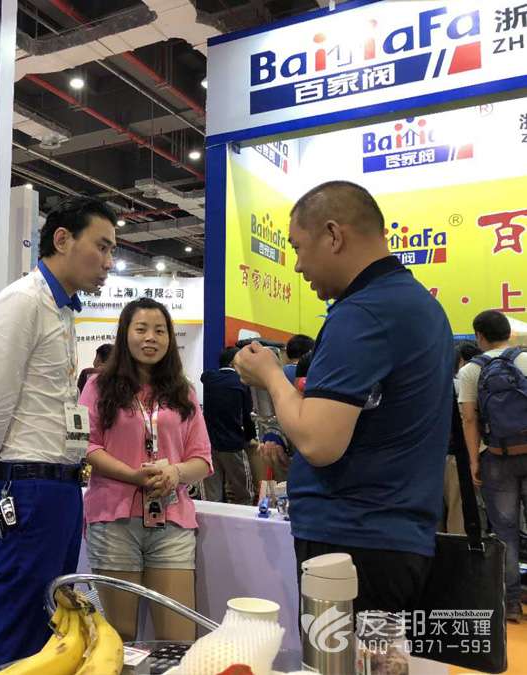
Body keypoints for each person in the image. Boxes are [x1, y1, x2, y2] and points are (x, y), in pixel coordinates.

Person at [233, 180, 453, 618]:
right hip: (389, 536)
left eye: (298, 248)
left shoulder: (363, 313)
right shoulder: (416, 304)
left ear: (333, 235)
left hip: (351, 541)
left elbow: (319, 442)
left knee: (338, 654)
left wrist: (271, 375)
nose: (298, 266)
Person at [0, 196, 116, 671]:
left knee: (51, 633)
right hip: (28, 492)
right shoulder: (22, 301)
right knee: (16, 627)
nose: (108, 263)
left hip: (60, 490)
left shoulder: (61, 311)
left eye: (112, 251)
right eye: (102, 247)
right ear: (62, 239)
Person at [78, 297, 212, 642]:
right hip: (114, 519)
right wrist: (133, 476)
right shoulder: (98, 386)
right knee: (117, 639)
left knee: (178, 639)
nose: (151, 337)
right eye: (141, 329)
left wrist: (175, 474)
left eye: (160, 330)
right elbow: (86, 446)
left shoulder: (183, 392)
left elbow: (202, 458)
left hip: (172, 521)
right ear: (125, 334)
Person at [458, 310, 527, 622]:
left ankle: (511, 603)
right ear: (508, 334)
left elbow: (469, 419)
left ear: (479, 336)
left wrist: (474, 460)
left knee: (505, 532)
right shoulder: (524, 359)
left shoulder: (471, 370)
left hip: (497, 457)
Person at [200, 347, 257, 504]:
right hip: (233, 444)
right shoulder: (241, 382)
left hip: (209, 444)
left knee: (212, 496)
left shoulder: (209, 378)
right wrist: (251, 437)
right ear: (234, 362)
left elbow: (204, 377)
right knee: (243, 494)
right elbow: (247, 416)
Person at [443, 341, 481, 535]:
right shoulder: (461, 386)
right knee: (459, 513)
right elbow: (469, 419)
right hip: (457, 456)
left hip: (428, 457)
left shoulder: (425, 386)